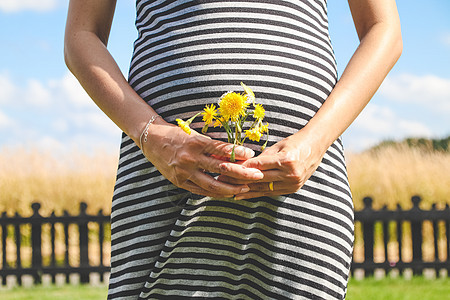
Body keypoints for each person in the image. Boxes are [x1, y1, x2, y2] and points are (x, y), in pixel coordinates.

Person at [65, 0, 402, 299]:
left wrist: (315, 142)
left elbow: (383, 29)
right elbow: (81, 36)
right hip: (164, 177)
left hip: (304, 180)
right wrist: (152, 135)